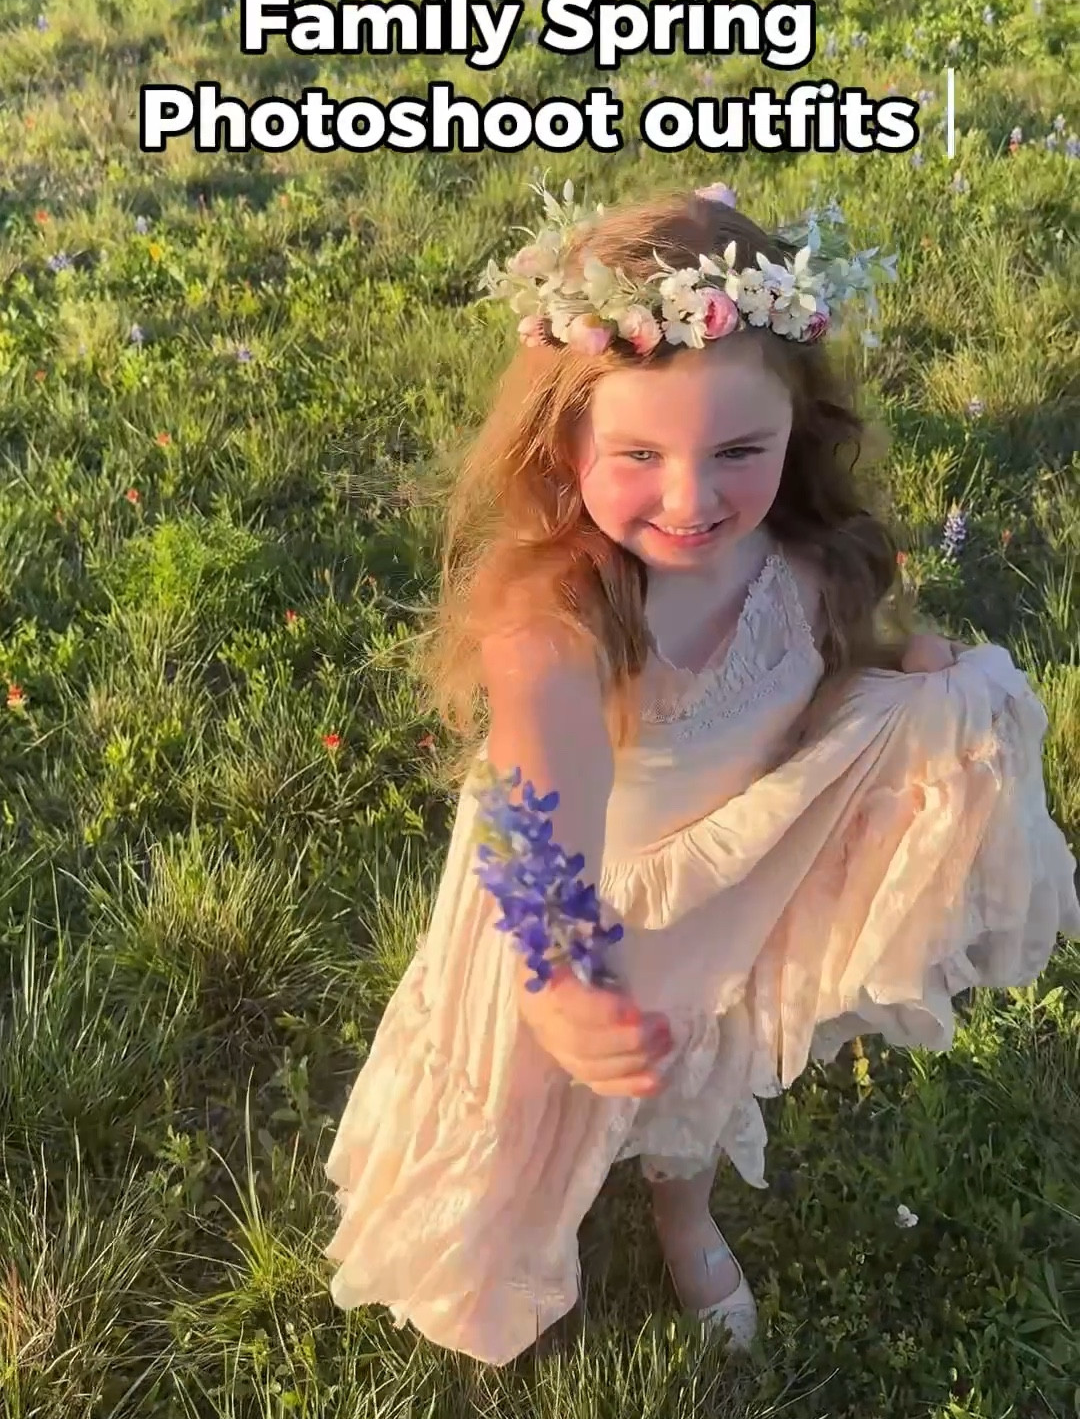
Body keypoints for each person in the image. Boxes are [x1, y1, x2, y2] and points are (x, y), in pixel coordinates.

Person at [322, 179, 1080, 1367]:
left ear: (798, 433)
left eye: (741, 450)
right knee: (539, 1102)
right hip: (571, 903)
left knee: (697, 1067)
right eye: (639, 454)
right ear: (566, 445)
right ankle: (514, 1226)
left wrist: (903, 681)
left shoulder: (809, 562)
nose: (693, 498)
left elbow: (815, 682)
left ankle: (685, 1210)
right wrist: (557, 984)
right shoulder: (555, 626)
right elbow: (538, 824)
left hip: (727, 871)